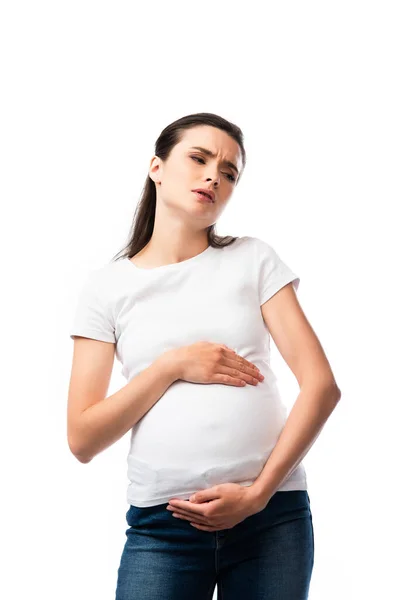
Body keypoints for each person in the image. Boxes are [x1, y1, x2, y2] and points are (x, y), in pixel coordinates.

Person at [68, 112, 341, 599]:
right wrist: (171, 366)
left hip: (272, 520)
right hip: (162, 528)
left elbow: (322, 386)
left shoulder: (253, 259)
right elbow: (83, 439)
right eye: (199, 158)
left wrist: (257, 496)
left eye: (230, 171)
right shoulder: (106, 288)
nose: (214, 175)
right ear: (156, 167)